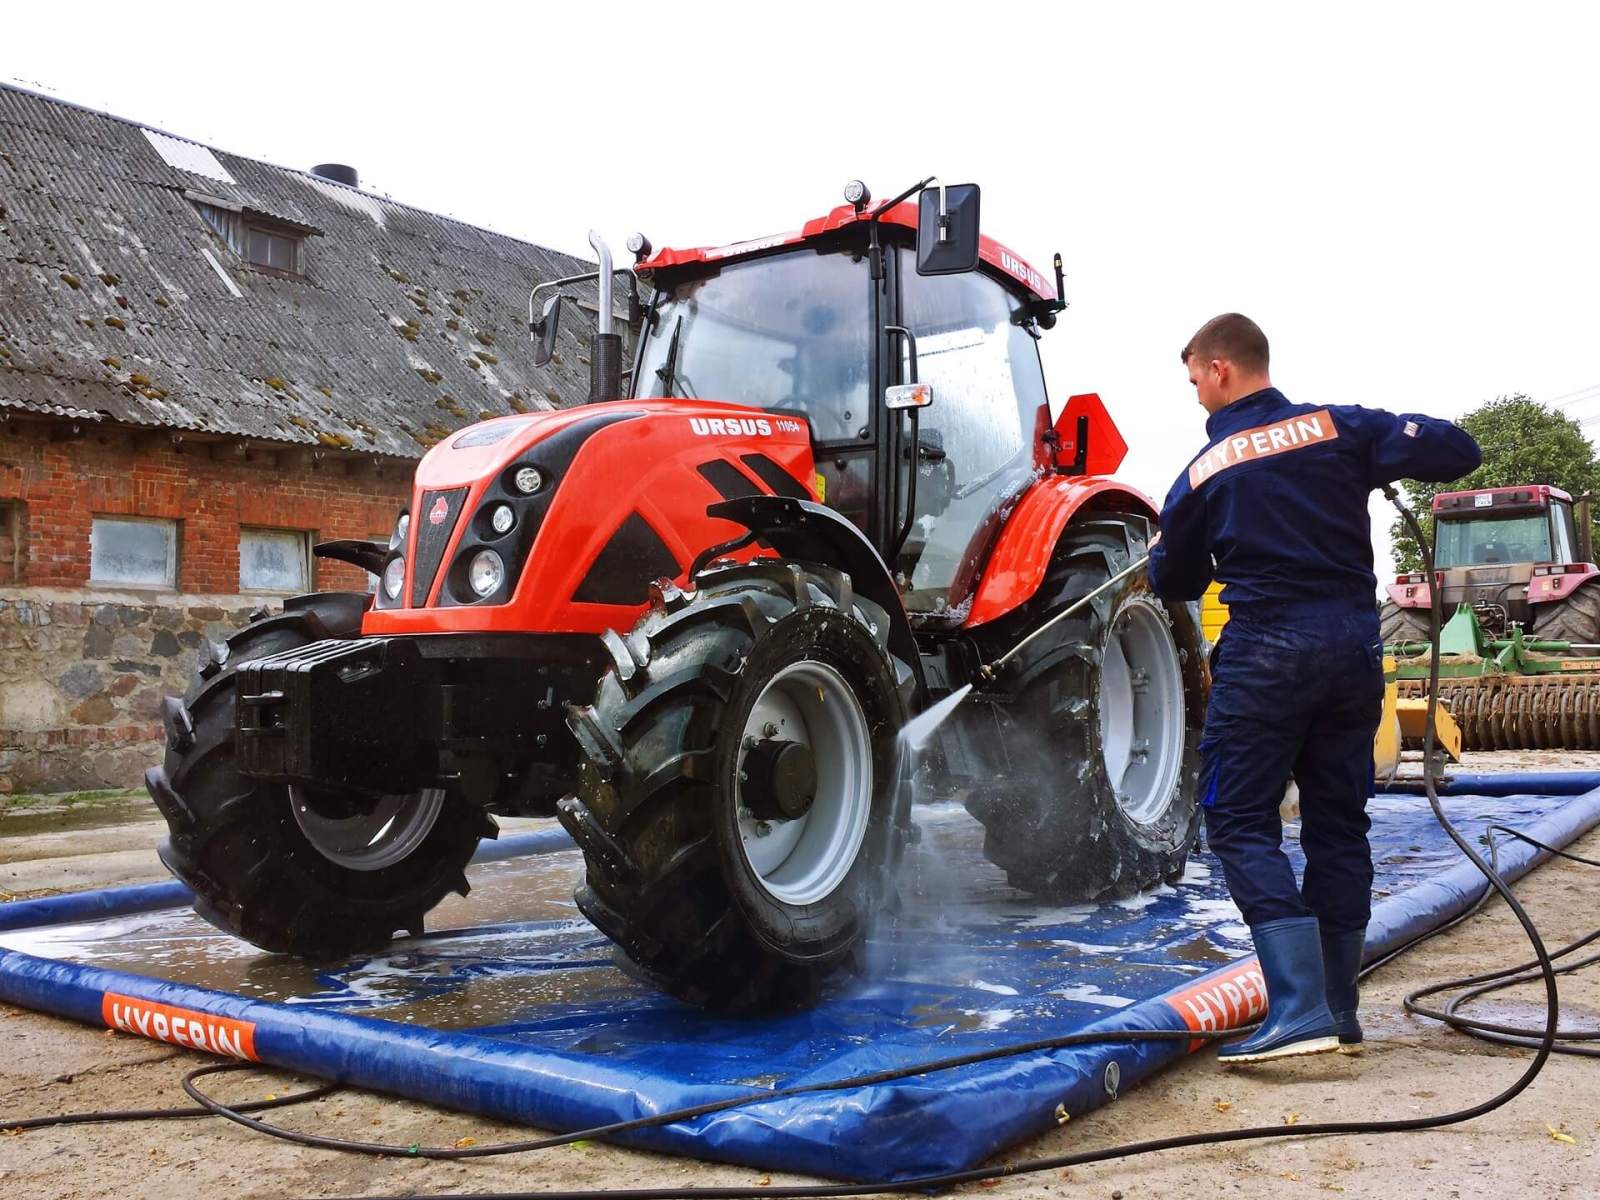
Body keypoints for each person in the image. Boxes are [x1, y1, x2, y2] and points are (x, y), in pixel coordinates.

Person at [1147, 313, 1481, 1064]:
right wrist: (1389, 443)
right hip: (1353, 650)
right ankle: (1337, 1009)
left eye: (1195, 378)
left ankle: (1298, 1009)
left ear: (1221, 369)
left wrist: (1167, 547)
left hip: (1266, 654)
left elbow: (1176, 581)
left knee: (1238, 819)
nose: (1196, 393)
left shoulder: (1204, 469)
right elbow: (1459, 450)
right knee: (1338, 823)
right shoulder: (1341, 426)